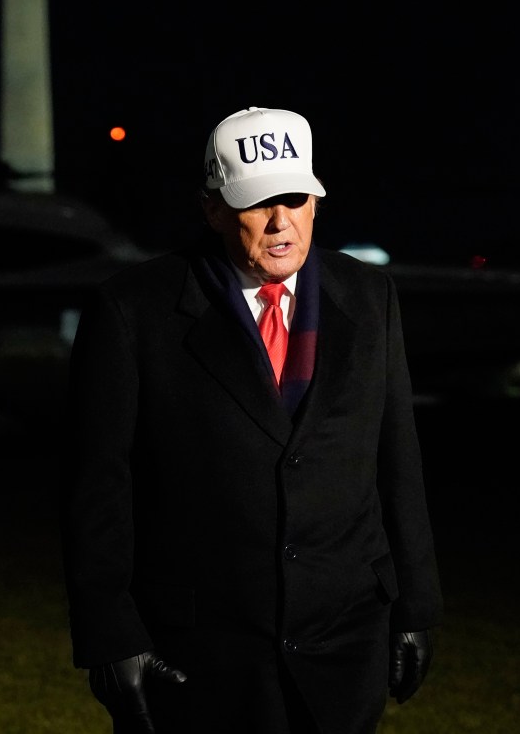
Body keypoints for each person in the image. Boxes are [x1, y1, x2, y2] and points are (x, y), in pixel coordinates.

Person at [60, 106, 443, 734]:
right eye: (256, 202)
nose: (280, 221)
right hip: (197, 656)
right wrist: (108, 634)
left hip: (347, 644)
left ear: (316, 200)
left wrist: (418, 605)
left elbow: (397, 458)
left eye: (294, 198)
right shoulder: (133, 310)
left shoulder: (372, 297)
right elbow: (97, 485)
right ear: (211, 209)